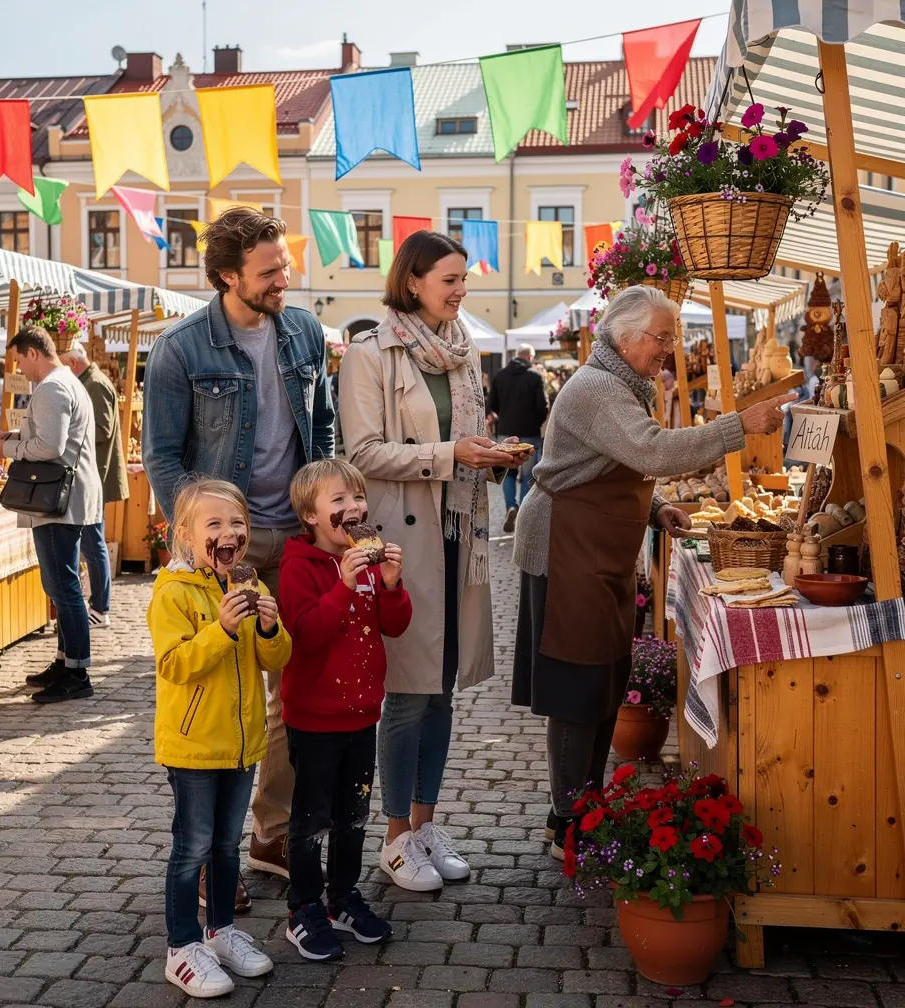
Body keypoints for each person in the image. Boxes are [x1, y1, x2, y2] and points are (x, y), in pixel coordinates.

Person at [510, 286, 794, 859]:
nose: (669, 347)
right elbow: (654, 451)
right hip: (566, 547)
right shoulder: (597, 388)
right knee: (577, 686)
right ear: (624, 337)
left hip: (595, 546)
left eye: (669, 336)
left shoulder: (625, 383)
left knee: (603, 681)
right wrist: (740, 425)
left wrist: (654, 506)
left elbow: (622, 465)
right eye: (661, 337)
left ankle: (583, 807)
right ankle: (569, 816)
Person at [143, 205, 334, 890]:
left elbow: (324, 426)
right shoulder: (182, 348)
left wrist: (327, 513)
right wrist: (204, 541)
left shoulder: (305, 331)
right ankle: (207, 852)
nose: (284, 278)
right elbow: (162, 458)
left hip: (299, 538)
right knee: (223, 690)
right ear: (227, 275)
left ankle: (267, 833)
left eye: (284, 264)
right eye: (269, 271)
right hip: (228, 548)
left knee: (292, 688)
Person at [339, 231, 529, 892]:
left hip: (461, 535)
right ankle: (393, 838)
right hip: (405, 542)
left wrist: (489, 453)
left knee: (441, 688)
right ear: (412, 279)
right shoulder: (370, 354)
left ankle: (424, 824)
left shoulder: (462, 349)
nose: (460, 291)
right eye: (449, 280)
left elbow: (460, 436)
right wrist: (453, 457)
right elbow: (361, 452)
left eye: (463, 280)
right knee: (409, 694)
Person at [147, 478, 290, 997]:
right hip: (193, 748)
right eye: (214, 524)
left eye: (237, 523)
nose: (229, 532)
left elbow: (275, 661)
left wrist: (271, 630)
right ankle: (182, 946)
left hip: (242, 743)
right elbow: (174, 664)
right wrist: (222, 630)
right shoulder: (173, 592)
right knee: (193, 848)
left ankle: (221, 931)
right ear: (185, 534)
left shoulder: (250, 585)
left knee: (227, 845)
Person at [279, 459, 412, 960]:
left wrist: (393, 584)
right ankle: (303, 907)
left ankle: (342, 897)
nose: (353, 508)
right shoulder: (299, 568)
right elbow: (306, 635)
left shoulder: (369, 563)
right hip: (314, 720)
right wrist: (343, 585)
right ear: (310, 516)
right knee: (312, 819)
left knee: (352, 817)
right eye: (338, 501)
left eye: (357, 498)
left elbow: (394, 626)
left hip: (361, 715)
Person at [0, 328, 103, 704]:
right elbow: (53, 434)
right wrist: (15, 434)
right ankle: (66, 662)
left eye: (20, 360)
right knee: (63, 587)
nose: (19, 367)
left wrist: (8, 447)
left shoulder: (51, 386)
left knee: (63, 589)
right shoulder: (65, 380)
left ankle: (77, 672)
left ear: (34, 353)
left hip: (57, 503)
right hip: (69, 498)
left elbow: (50, 446)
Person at [61, 345, 130, 629]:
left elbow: (102, 429)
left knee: (93, 543)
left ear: (75, 363)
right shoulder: (90, 381)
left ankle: (101, 608)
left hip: (95, 476)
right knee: (91, 542)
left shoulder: (96, 384)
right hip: (91, 475)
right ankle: (97, 605)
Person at [486, 343, 549, 532]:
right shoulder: (535, 376)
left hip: (506, 431)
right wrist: (538, 421)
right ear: (529, 357)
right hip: (530, 432)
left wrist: (504, 416)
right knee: (528, 475)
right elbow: (542, 406)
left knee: (508, 472)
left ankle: (510, 506)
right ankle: (523, 514)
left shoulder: (500, 375)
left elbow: (492, 404)